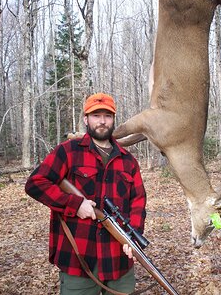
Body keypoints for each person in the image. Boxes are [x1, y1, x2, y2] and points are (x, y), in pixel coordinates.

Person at [25, 92, 147, 295]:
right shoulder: (68, 151)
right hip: (78, 259)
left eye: (107, 116)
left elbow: (138, 202)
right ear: (86, 119)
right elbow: (35, 183)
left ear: (113, 119)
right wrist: (74, 204)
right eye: (96, 115)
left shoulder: (128, 161)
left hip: (118, 260)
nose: (102, 121)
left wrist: (132, 237)